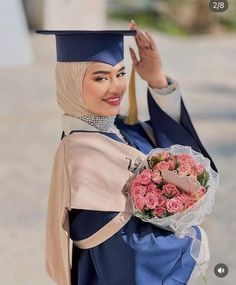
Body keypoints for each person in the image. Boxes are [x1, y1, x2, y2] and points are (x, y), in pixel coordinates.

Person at [37, 20, 217, 285]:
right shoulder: (81, 156)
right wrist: (193, 240)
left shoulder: (117, 128)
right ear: (72, 82)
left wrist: (156, 80)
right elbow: (126, 253)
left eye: (120, 74)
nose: (116, 88)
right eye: (101, 77)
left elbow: (178, 143)